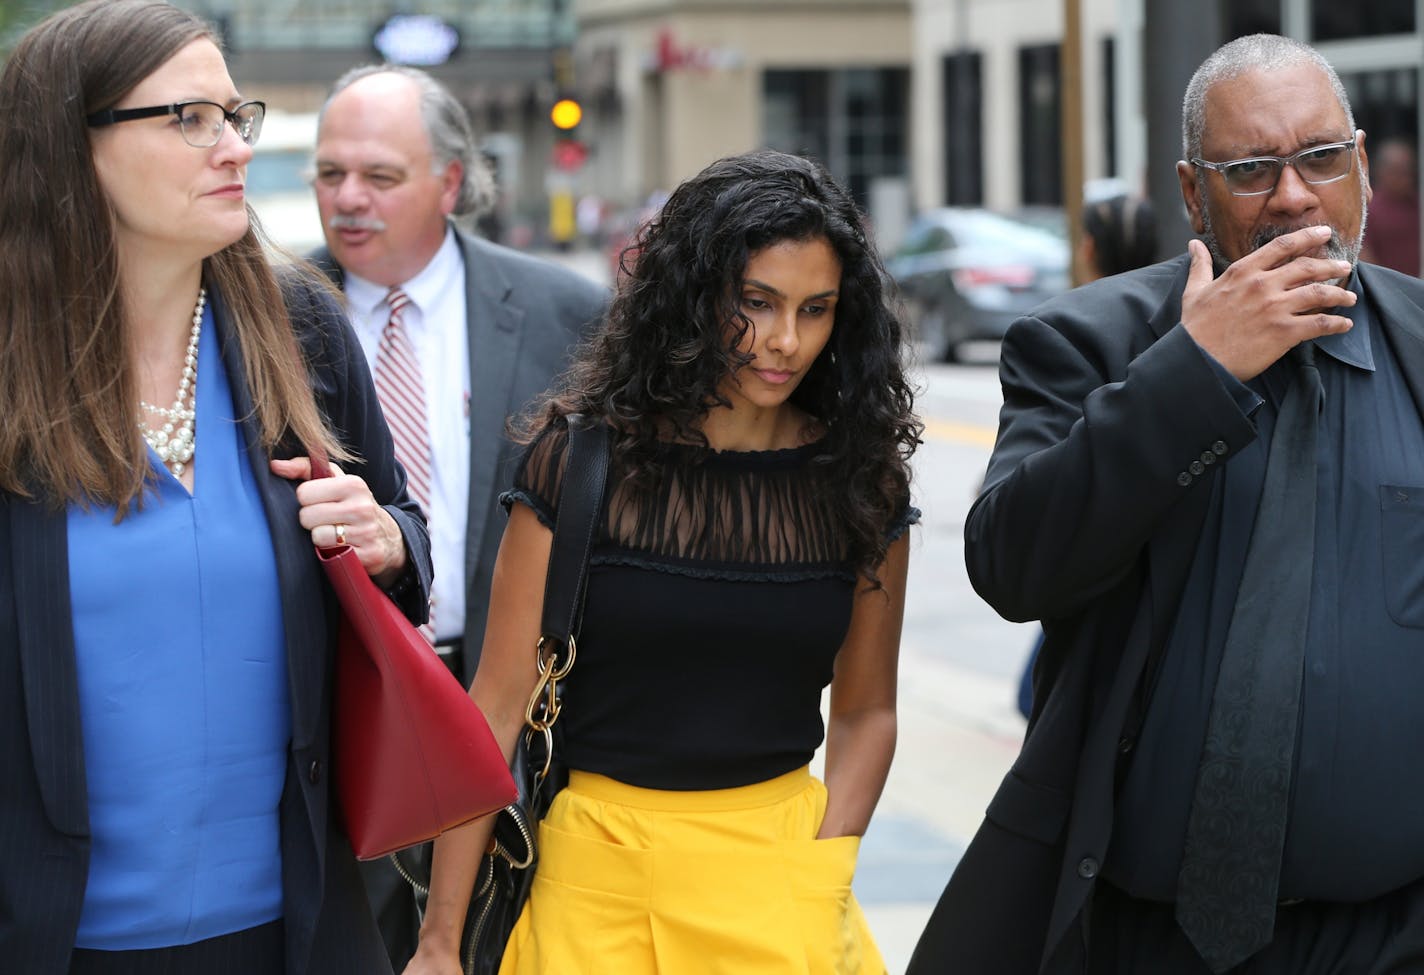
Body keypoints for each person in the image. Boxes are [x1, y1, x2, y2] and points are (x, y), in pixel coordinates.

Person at [910, 33, 1424, 975]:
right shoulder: (1086, 344)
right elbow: (1014, 566)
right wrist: (1193, 371)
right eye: (1251, 169)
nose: (1294, 194)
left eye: (1321, 158)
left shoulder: (1419, 350)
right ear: (1192, 192)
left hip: (1390, 934)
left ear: (1358, 163)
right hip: (1146, 938)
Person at [403, 149, 920, 975]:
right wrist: (438, 941)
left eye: (815, 309)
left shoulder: (861, 482)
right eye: (756, 303)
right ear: (694, 297)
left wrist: (825, 866)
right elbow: (493, 710)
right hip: (594, 888)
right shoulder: (578, 466)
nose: (785, 341)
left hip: (783, 888)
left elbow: (866, 711)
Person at [0, 2, 433, 974]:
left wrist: (386, 539)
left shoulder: (303, 332)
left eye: (237, 116)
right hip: (54, 941)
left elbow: (405, 545)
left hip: (295, 932)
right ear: (73, 148)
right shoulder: (12, 371)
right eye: (188, 118)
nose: (232, 148)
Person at [307, 63, 607, 970]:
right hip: (333, 723)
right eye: (330, 174)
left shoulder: (566, 314)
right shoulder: (263, 315)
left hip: (514, 728)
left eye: (380, 177)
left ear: (450, 181)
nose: (348, 199)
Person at [1015, 194, 1157, 719]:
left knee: (1040, 695)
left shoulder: (1073, 330)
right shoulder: (1173, 319)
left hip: (1096, 559)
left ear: (1091, 247)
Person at [1360, 136, 1420, 276]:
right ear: (1381, 171)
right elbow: (1365, 256)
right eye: (1397, 171)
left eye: (1408, 170)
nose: (1405, 177)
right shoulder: (1370, 209)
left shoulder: (1418, 205)